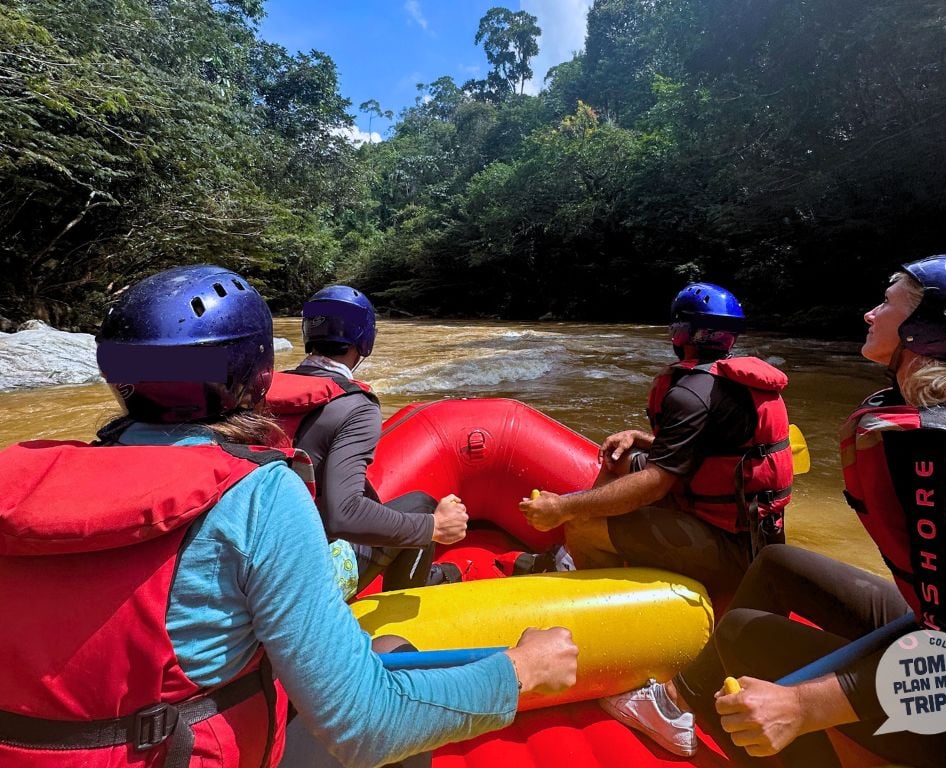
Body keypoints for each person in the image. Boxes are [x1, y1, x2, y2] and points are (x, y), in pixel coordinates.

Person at [0, 264, 579, 768]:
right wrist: (521, 671)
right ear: (253, 372)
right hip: (180, 750)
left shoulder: (28, 484)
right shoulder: (261, 494)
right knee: (395, 656)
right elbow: (366, 725)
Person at [600, 254, 946, 766]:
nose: (869, 313)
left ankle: (734, 724)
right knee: (781, 564)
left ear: (931, 328)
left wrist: (803, 704)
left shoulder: (943, 450)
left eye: (887, 304)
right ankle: (681, 702)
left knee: (742, 635)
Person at [518, 282, 794, 612]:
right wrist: (641, 436)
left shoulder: (691, 393)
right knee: (621, 458)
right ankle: (615, 555)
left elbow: (653, 485)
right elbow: (714, 450)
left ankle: (595, 605)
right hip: (752, 534)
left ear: (680, 333)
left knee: (582, 523)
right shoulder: (731, 383)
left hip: (732, 552)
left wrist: (565, 507)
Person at [264, 284, 467, 592]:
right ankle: (408, 597)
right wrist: (434, 527)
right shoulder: (355, 406)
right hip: (303, 579)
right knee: (424, 510)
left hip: (260, 559)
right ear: (364, 338)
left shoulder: (270, 389)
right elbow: (343, 517)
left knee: (416, 505)